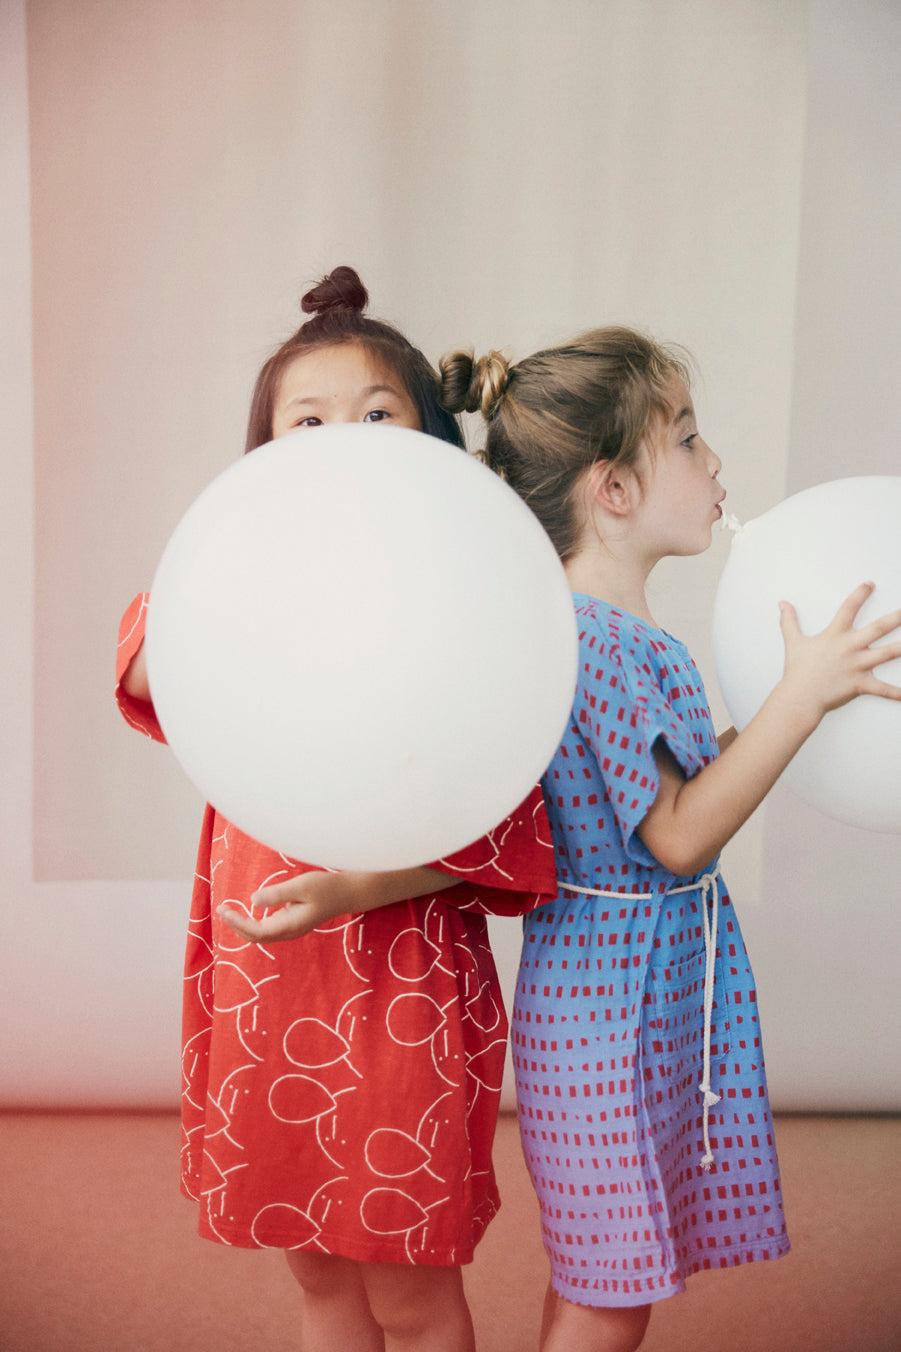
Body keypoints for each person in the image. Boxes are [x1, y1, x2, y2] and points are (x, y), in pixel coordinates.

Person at [116, 266, 557, 1352]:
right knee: (317, 1279)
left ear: (431, 442)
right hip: (270, 975)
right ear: (263, 462)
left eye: (376, 414)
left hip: (398, 977)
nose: (343, 439)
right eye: (305, 423)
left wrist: (360, 883)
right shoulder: (238, 590)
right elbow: (142, 663)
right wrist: (256, 575)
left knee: (409, 1288)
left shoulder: (475, 606)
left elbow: (512, 831)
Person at [438, 329, 901, 1352]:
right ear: (611, 489)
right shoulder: (601, 643)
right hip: (612, 1008)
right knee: (611, 1290)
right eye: (687, 439)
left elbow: (676, 791)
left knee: (601, 1270)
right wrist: (801, 692)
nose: (714, 462)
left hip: (617, 994)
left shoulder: (604, 634)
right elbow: (682, 836)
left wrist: (797, 708)